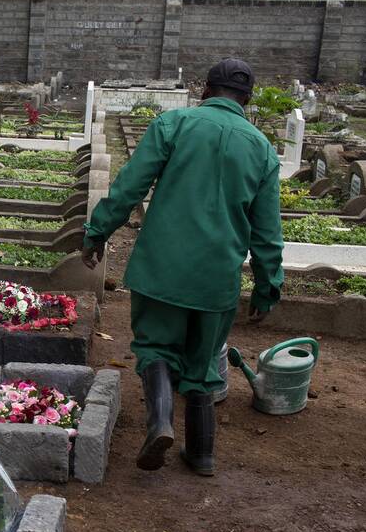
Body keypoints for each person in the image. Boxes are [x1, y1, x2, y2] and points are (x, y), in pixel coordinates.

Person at [81, 58, 284, 477]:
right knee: (205, 362)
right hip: (217, 279)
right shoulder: (262, 149)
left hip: (161, 269)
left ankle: (159, 423)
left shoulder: (173, 125)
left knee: (155, 347)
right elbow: (267, 232)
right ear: (246, 99)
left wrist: (98, 231)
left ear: (206, 91)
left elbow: (130, 185)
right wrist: (267, 287)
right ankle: (202, 455)